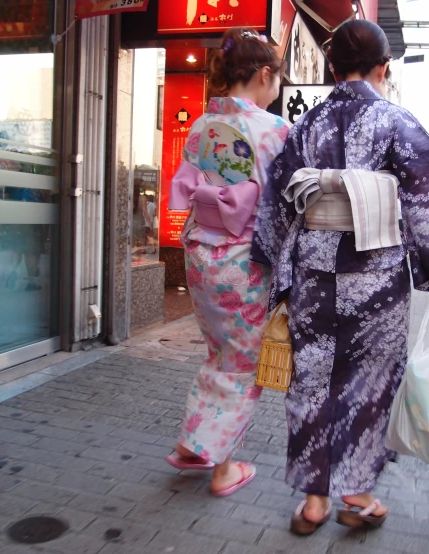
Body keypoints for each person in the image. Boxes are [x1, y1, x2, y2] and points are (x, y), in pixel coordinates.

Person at [252, 19, 429, 536]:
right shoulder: (396, 122)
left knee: (311, 382)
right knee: (369, 383)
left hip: (316, 273)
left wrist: (272, 262)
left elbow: (278, 203)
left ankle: (314, 502)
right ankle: (356, 496)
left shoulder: (307, 124)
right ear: (384, 67)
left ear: (333, 67)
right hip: (376, 277)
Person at [165, 27, 289, 497]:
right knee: (243, 362)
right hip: (242, 260)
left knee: (221, 352)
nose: (277, 86)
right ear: (263, 74)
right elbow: (286, 204)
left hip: (200, 254)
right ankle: (215, 460)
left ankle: (200, 443)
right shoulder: (275, 131)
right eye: (276, 77)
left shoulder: (200, 125)